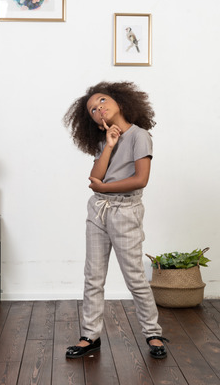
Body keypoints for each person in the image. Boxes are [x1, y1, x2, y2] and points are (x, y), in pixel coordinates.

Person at [63, 81, 169, 360]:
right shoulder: (103, 140)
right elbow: (95, 176)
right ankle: (90, 335)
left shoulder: (140, 136)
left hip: (125, 211)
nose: (99, 108)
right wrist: (109, 144)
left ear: (120, 102)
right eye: (92, 110)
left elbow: (139, 179)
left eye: (102, 101)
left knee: (134, 276)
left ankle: (152, 332)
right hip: (98, 211)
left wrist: (103, 187)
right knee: (93, 276)